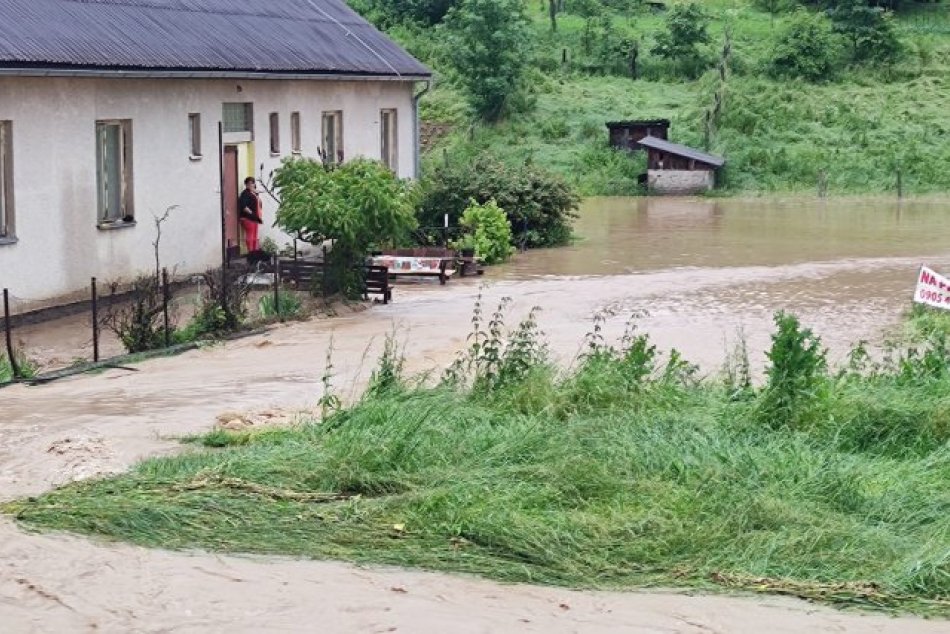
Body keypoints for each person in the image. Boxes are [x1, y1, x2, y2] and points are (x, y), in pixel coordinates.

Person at [237, 176, 263, 253]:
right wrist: (252, 213)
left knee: (255, 236)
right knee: (250, 235)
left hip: (255, 218)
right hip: (248, 218)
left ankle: (255, 252)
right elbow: (244, 206)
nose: (251, 185)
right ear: (246, 184)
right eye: (248, 183)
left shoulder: (253, 193)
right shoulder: (245, 193)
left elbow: (259, 203)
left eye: (252, 183)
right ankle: (251, 252)